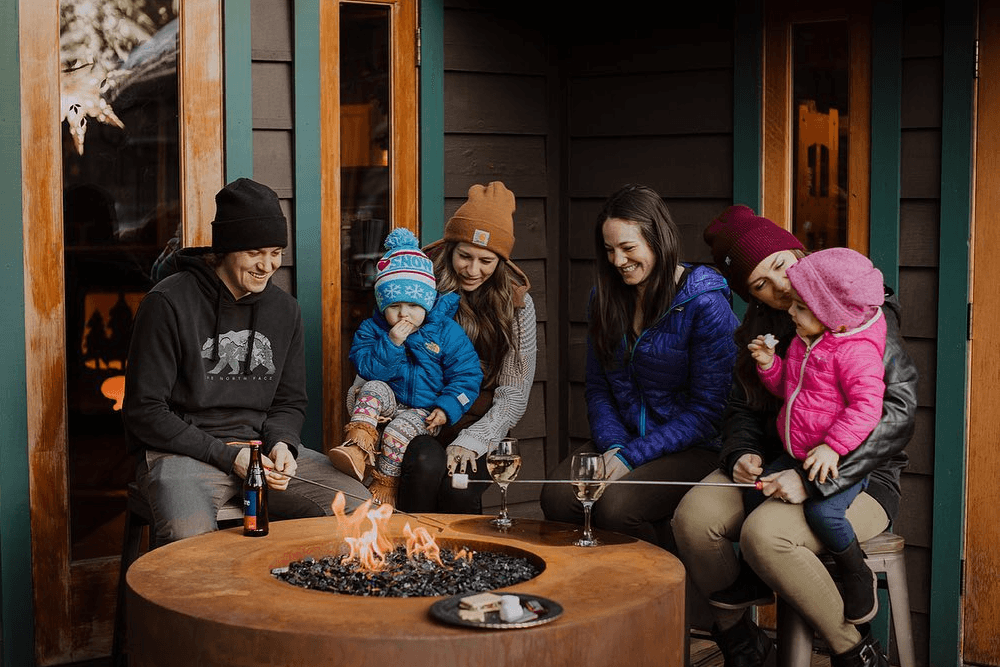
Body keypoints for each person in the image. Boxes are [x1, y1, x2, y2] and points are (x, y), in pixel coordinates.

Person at [672, 205, 918, 667]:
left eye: (781, 266)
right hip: (780, 464)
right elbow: (742, 406)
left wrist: (814, 481)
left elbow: (895, 415)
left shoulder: (859, 312)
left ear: (798, 252)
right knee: (693, 518)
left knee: (765, 535)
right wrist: (741, 452)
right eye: (760, 284)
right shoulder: (760, 330)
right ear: (753, 296)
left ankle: (856, 652)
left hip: (856, 476)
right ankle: (743, 645)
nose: (781, 286)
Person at [123, 178, 371, 544]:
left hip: (261, 453)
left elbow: (289, 401)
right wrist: (226, 457)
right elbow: (145, 411)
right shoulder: (168, 303)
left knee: (358, 506)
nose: (267, 265)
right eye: (255, 252)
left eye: (275, 251)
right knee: (188, 538)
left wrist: (284, 444)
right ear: (226, 249)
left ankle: (291, 597)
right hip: (182, 455)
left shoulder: (284, 310)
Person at [539, 184, 739, 549]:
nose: (617, 261)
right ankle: (600, 589)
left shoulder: (704, 303)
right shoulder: (603, 297)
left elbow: (709, 411)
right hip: (625, 438)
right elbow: (599, 389)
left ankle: (671, 585)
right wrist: (614, 445)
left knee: (617, 508)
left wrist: (633, 457)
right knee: (558, 496)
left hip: (694, 446)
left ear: (658, 240)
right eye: (609, 250)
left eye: (628, 248)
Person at [709, 247, 887, 627]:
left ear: (833, 317)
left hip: (839, 461)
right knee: (756, 490)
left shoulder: (856, 354)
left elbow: (867, 409)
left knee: (823, 512)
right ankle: (751, 578)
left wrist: (833, 446)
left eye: (801, 308)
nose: (790, 311)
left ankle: (855, 571)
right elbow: (789, 391)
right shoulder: (806, 342)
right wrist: (769, 365)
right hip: (800, 452)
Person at [393, 182, 537, 514]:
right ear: (449, 248)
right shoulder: (419, 287)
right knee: (426, 466)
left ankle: (463, 562)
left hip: (481, 421)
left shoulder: (518, 306)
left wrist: (472, 441)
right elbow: (384, 344)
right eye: (465, 256)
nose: (473, 270)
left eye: (486, 260)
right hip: (419, 415)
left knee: (459, 487)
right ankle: (410, 557)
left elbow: (514, 394)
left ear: (501, 261)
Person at [326, 228, 483, 507]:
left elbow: (467, 376)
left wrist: (446, 408)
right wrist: (392, 342)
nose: (403, 314)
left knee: (399, 429)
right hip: (389, 400)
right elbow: (368, 370)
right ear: (382, 305)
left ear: (427, 302)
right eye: (394, 305)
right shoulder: (373, 330)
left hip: (423, 411)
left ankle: (385, 483)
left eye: (413, 305)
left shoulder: (446, 332)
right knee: (373, 387)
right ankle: (357, 449)